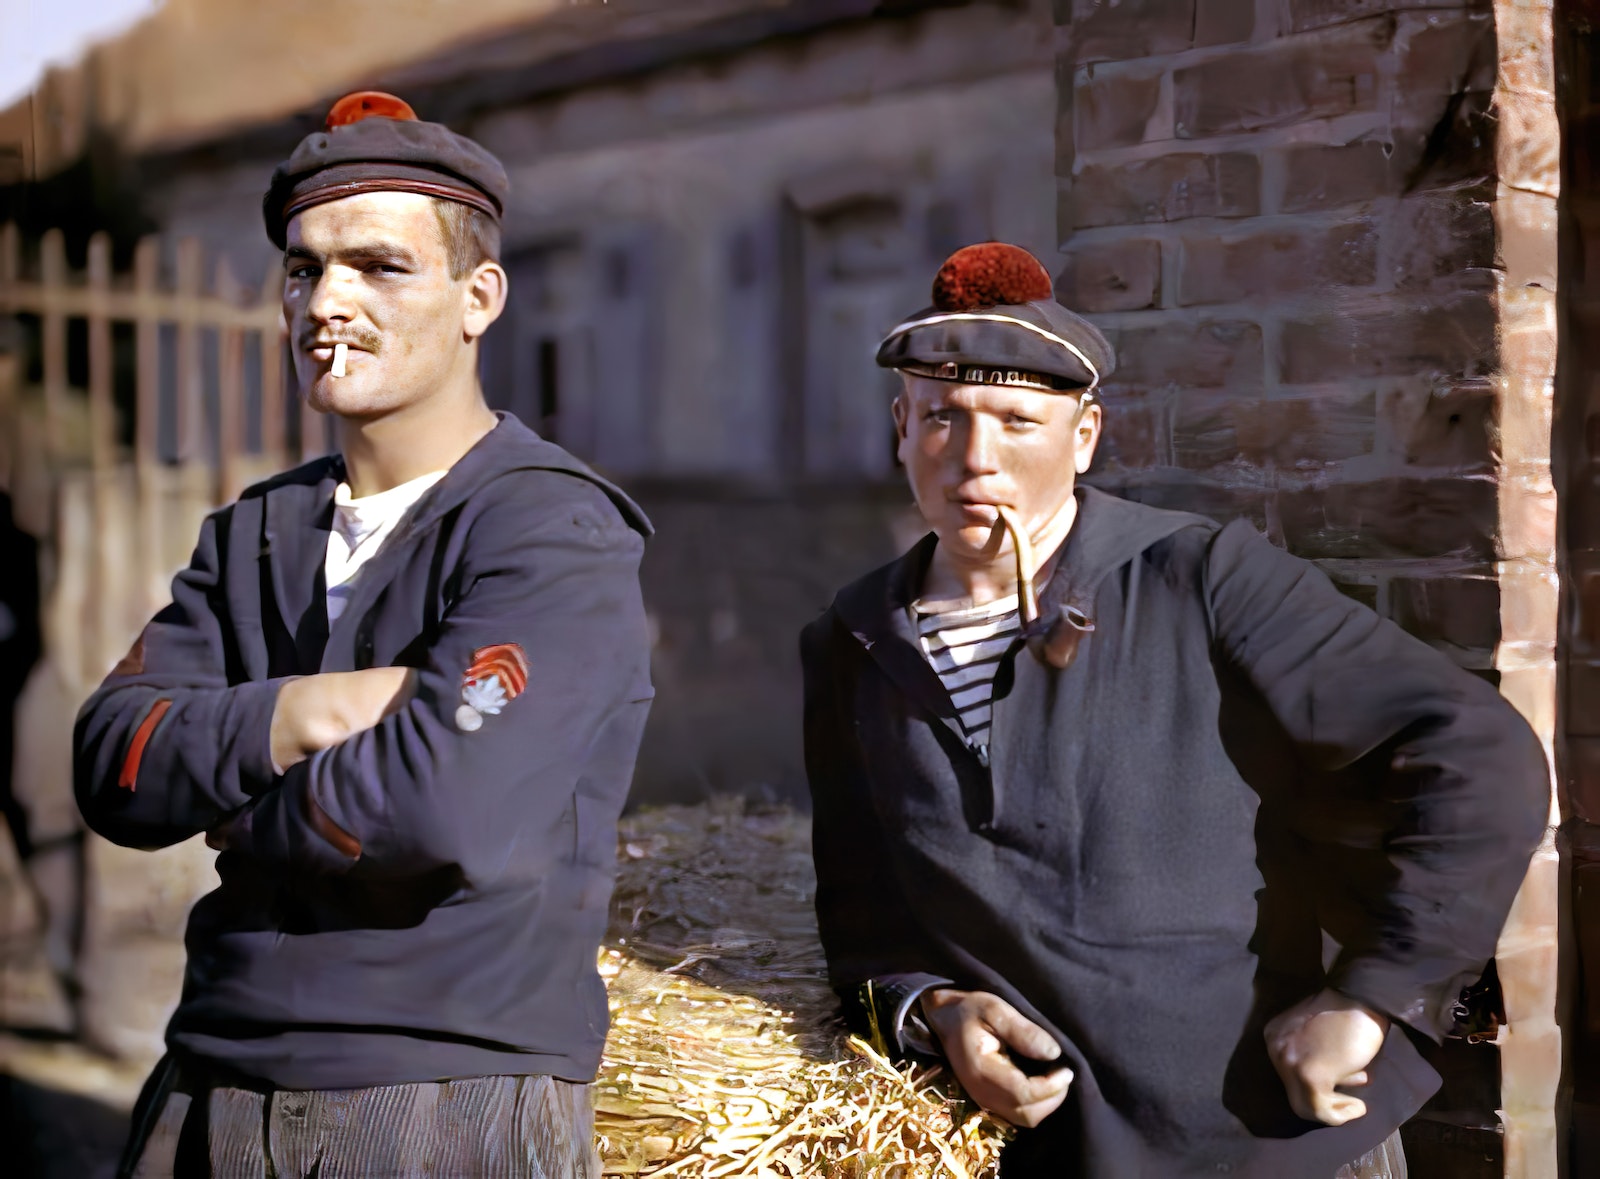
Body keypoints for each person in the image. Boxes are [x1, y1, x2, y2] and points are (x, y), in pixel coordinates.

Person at [800, 242, 1548, 1177]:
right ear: (900, 427)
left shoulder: (1202, 576)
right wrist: (938, 1013)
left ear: (1084, 436)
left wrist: (1374, 996)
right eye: (943, 416)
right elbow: (864, 924)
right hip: (1045, 1150)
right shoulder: (851, 640)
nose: (975, 458)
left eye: (1018, 421)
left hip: (1275, 1140)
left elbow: (1478, 752)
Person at [74, 91, 654, 1178]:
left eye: (379, 267)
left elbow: (446, 806)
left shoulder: (554, 531)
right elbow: (113, 764)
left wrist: (235, 793)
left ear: (479, 298)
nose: (325, 301)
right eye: (304, 269)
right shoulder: (258, 528)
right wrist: (314, 708)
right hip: (208, 1074)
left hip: (438, 1091)